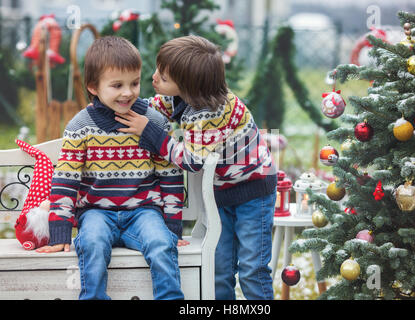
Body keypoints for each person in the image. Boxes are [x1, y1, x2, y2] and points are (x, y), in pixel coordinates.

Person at [114, 35, 277, 300]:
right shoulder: (185, 99)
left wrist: (151, 134)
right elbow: (155, 107)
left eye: (163, 77)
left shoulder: (210, 113)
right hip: (222, 195)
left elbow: (191, 161)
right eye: (158, 70)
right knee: (219, 268)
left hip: (253, 192)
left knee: (251, 268)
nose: (154, 78)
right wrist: (117, 105)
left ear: (189, 86)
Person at [36, 36, 185, 300]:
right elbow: (65, 180)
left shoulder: (152, 121)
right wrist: (59, 231)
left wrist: (172, 227)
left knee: (161, 243)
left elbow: (170, 176)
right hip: (96, 213)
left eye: (134, 83)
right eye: (117, 85)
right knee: (91, 242)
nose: (128, 92)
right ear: (94, 86)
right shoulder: (80, 126)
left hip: (143, 212)